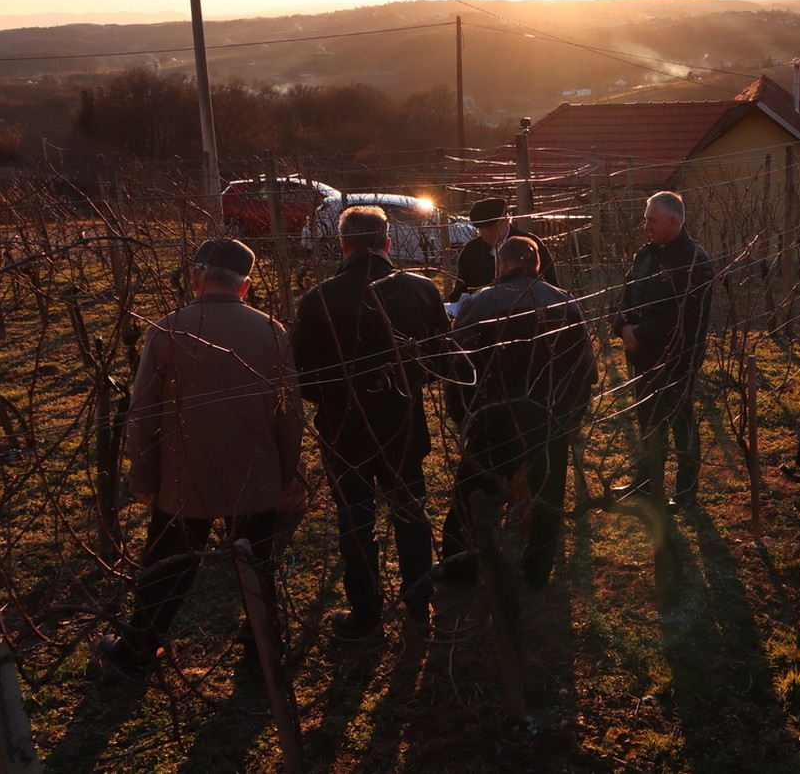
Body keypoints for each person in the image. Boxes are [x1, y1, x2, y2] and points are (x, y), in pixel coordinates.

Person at [101, 239, 303, 669]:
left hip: (183, 477)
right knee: (257, 567)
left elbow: (143, 413)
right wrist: (283, 470)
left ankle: (137, 650)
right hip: (255, 473)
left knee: (167, 566)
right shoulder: (272, 330)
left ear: (196, 277)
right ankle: (263, 651)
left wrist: (143, 478)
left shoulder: (167, 328)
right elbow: (290, 413)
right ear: (245, 287)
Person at [291, 205, 455, 640]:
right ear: (387, 242)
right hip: (403, 424)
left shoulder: (319, 299)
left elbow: (303, 379)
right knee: (411, 513)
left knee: (355, 521)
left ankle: (365, 614)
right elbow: (441, 360)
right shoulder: (422, 289)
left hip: (344, 432)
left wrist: (342, 394)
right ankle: (419, 607)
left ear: (343, 244)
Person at [441, 235, 596, 590]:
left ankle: (460, 565)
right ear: (537, 266)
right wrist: (574, 414)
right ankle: (538, 572)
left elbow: (459, 368)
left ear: (504, 264)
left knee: (470, 491)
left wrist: (462, 416)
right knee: (548, 495)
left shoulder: (480, 304)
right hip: (550, 417)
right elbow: (585, 370)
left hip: (494, 419)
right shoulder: (567, 303)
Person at [610, 191, 714, 511]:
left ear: (673, 220)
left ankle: (685, 494)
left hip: (677, 357)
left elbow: (685, 316)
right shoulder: (646, 254)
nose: (646, 226)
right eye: (645, 219)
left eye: (651, 220)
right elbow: (627, 293)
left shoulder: (696, 262)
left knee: (680, 423)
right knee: (648, 421)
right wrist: (623, 326)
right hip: (640, 355)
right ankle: (646, 483)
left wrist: (640, 333)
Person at [448, 197, 559, 303]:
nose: (486, 233)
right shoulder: (471, 251)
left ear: (506, 220)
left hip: (527, 312)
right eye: (481, 229)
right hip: (484, 315)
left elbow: (550, 286)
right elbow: (461, 291)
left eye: (491, 228)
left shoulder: (529, 245)